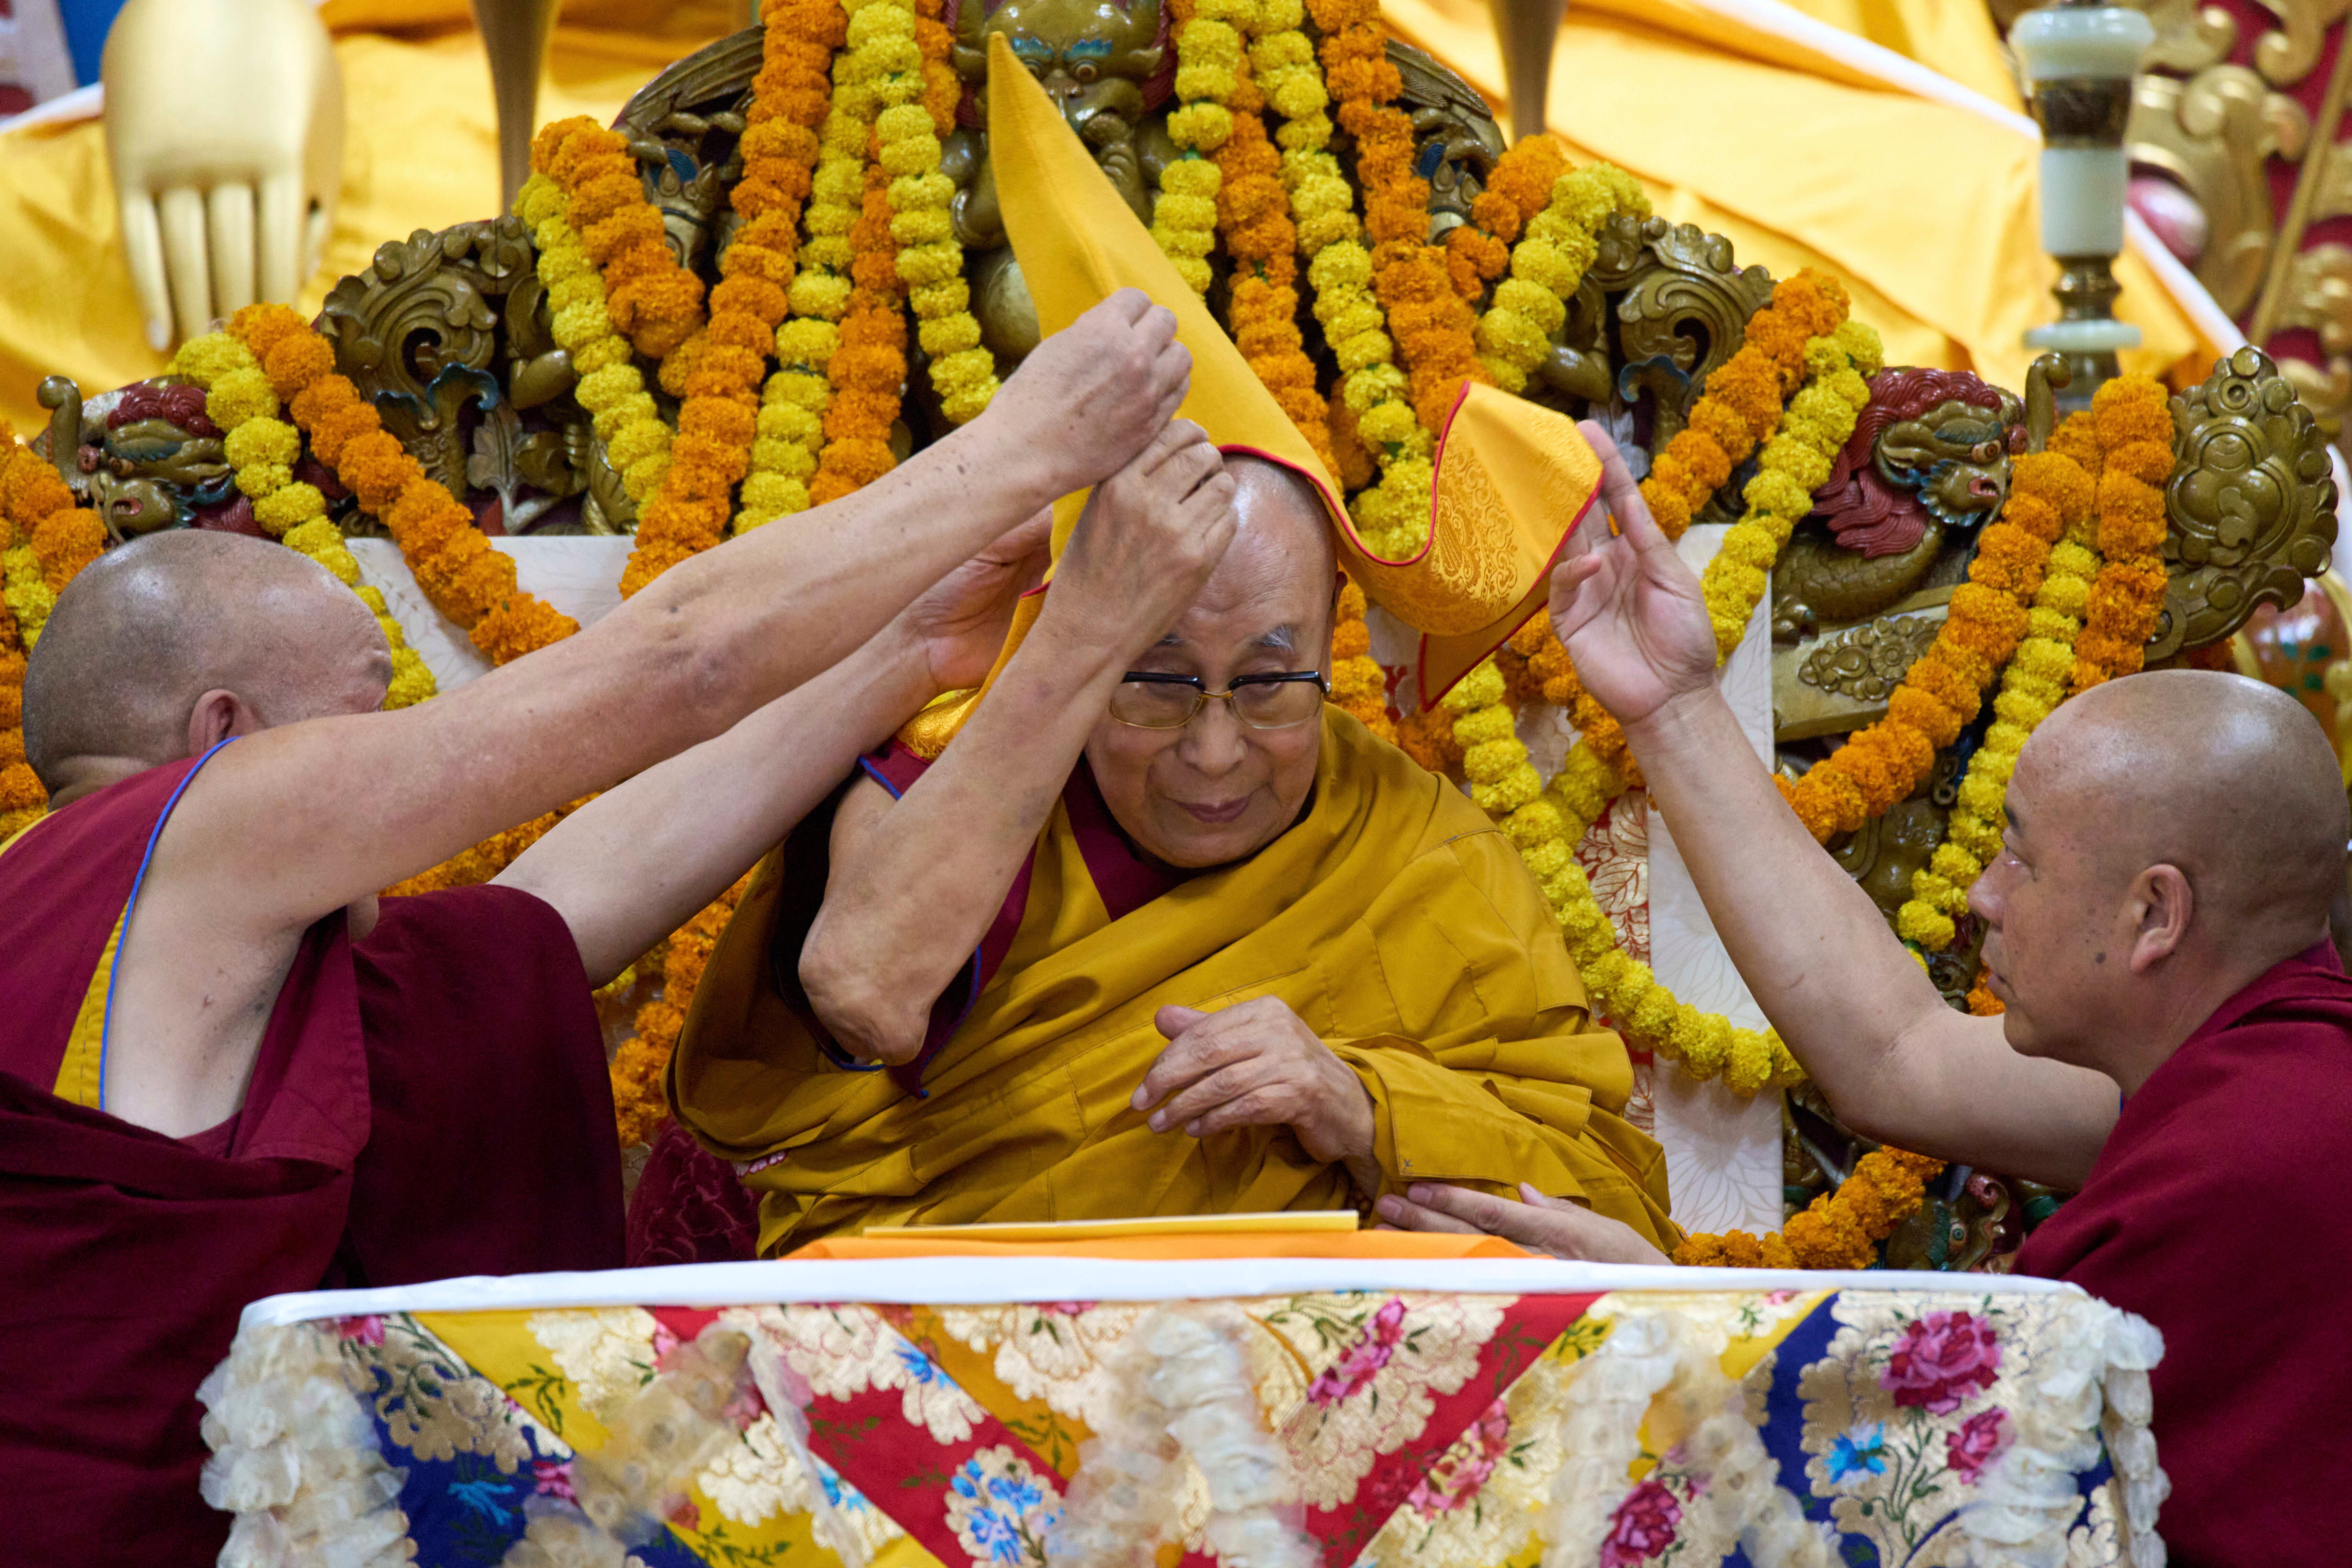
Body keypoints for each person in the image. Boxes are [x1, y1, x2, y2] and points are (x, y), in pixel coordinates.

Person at [0, 291, 1192, 1568]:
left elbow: (564, 908)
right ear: (224, 733)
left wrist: (903, 650)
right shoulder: (178, 834)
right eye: (364, 721)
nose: (389, 767)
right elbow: (679, 660)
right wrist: (1023, 447)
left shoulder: (163, 940)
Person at [1379, 425, 2352, 1566]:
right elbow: (1896, 1052)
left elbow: (1952, 1467)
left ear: (2155, 915)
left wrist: (1656, 1311)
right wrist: (1674, 707)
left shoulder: (2261, 1154)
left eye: (2021, 859)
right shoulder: (2250, 1071)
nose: (1979, 898)